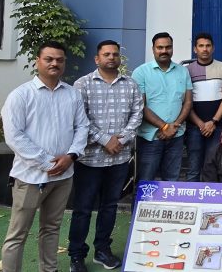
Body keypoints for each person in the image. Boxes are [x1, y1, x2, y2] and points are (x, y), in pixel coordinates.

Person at [0, 41, 89, 272]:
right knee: (17, 234)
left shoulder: (72, 94)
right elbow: (14, 136)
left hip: (63, 176)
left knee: (51, 228)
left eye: (59, 59)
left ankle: (49, 269)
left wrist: (71, 156)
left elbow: (82, 127)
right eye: (49, 59)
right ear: (37, 62)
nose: (54, 63)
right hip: (31, 178)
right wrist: (47, 162)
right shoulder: (20, 96)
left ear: (64, 63)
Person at [68, 40, 143, 272]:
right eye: (106, 54)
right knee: (83, 209)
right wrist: (104, 139)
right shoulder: (82, 85)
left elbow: (137, 115)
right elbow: (79, 119)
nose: (111, 57)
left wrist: (120, 140)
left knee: (109, 207)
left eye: (115, 54)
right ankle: (77, 256)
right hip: (89, 160)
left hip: (118, 159)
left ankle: (102, 250)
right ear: (97, 59)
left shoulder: (130, 85)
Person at [132, 32, 193, 181]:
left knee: (171, 182)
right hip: (150, 138)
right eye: (160, 47)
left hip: (176, 136)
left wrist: (174, 126)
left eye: (168, 47)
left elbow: (188, 102)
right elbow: (140, 106)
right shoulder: (141, 72)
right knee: (146, 182)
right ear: (153, 49)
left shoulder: (183, 71)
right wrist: (164, 127)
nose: (164, 51)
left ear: (172, 48)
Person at [185, 32, 222, 181]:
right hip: (194, 127)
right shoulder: (187, 71)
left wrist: (213, 121)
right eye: (201, 46)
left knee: (214, 167)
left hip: (216, 126)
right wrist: (200, 124)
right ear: (195, 49)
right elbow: (186, 102)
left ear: (213, 48)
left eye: (208, 45)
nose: (205, 49)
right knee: (193, 168)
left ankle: (211, 195)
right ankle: (192, 195)